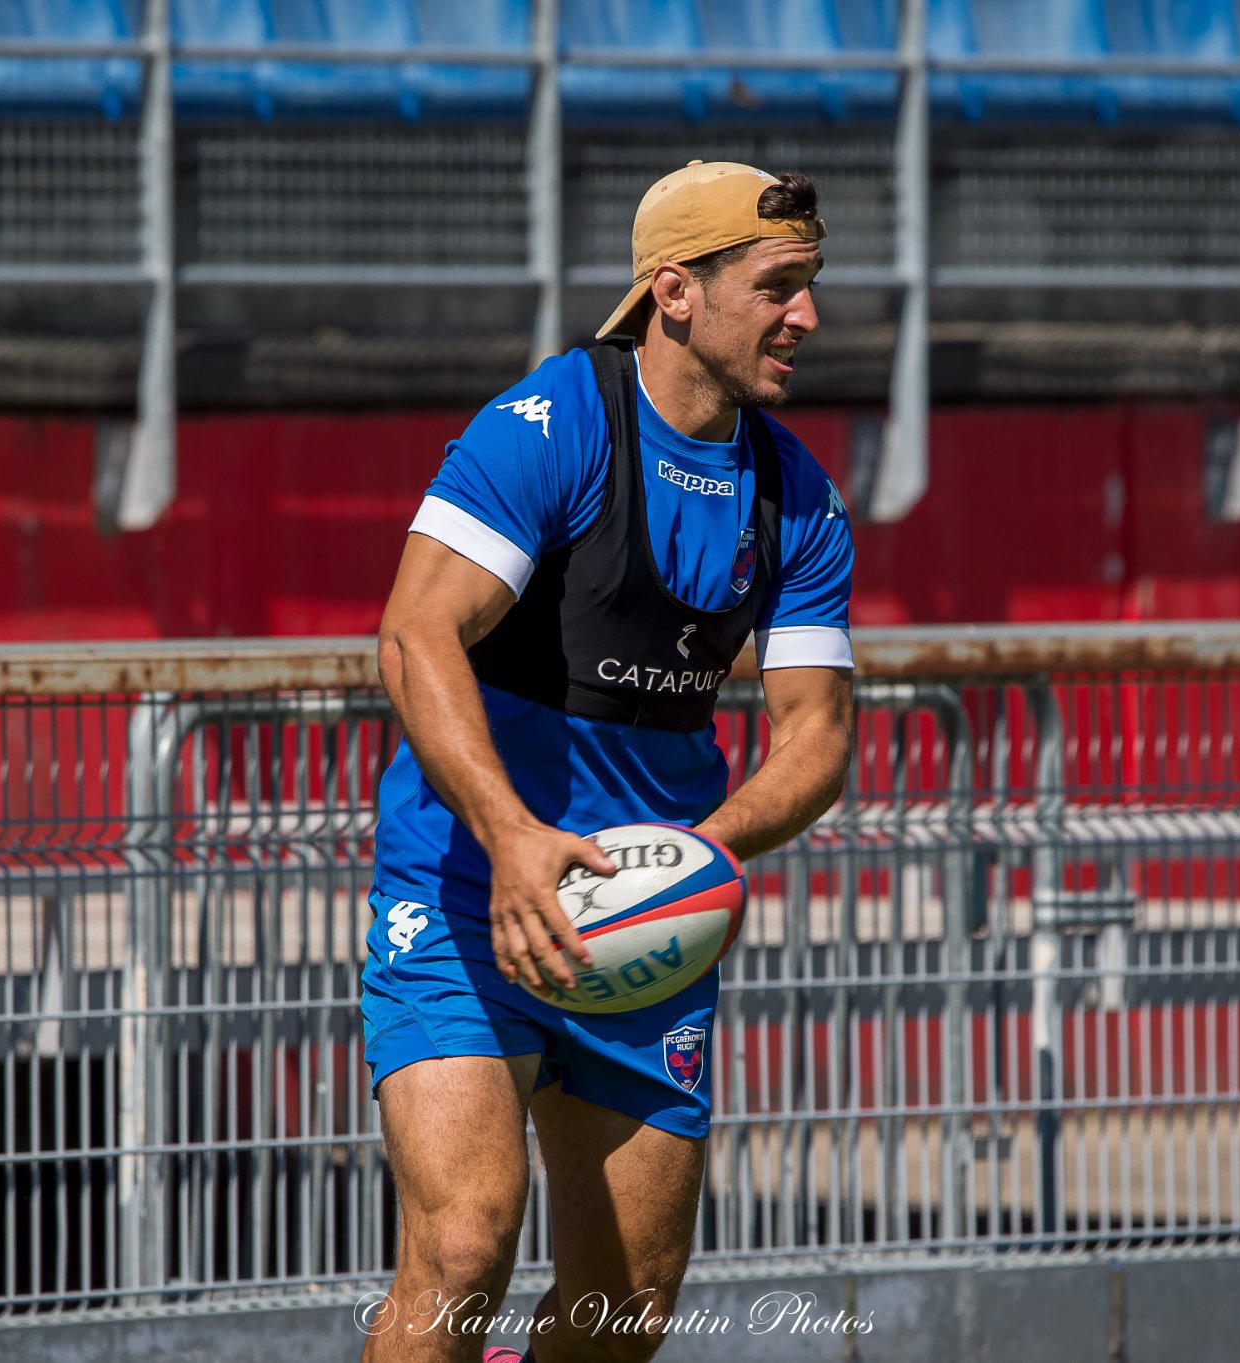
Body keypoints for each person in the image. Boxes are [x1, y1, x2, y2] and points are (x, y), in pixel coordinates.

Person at [361, 161, 855, 1363]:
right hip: (473, 890)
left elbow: (818, 733)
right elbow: (413, 631)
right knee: (463, 1246)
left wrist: (697, 859)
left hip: (645, 926)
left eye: (811, 286)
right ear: (674, 291)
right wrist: (512, 836)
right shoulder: (548, 426)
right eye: (779, 285)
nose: (807, 316)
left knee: (620, 1311)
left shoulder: (796, 496)